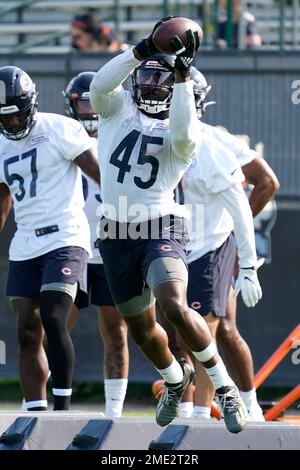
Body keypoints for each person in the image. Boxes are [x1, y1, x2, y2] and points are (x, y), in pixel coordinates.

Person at [90, 16, 256, 433]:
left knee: (175, 306)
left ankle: (223, 387)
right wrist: (142, 49)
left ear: (178, 88)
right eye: (146, 75)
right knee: (142, 329)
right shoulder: (116, 108)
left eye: (161, 80)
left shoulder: (187, 132)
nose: (150, 83)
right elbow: (99, 85)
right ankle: (174, 378)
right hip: (115, 231)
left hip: (161, 225)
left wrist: (181, 72)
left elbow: (182, 130)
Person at [167, 68, 279, 420]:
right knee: (176, 333)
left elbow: (266, 182)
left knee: (216, 331)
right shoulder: (152, 136)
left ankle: (240, 408)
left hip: (211, 243)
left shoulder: (216, 143)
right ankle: (186, 410)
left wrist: (235, 232)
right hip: (173, 246)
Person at [0, 66, 100, 411]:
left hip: (65, 236)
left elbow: (101, 174)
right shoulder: (0, 144)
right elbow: (2, 202)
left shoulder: (60, 128)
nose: (13, 124)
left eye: (18, 116)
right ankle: (35, 411)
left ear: (32, 104)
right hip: (26, 240)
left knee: (54, 317)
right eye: (5, 119)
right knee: (27, 330)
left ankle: (62, 411)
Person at [63, 71, 129, 417]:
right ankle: (49, 408)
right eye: (84, 103)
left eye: (95, 102)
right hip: (71, 244)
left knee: (116, 333)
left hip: (112, 247)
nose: (90, 111)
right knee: (53, 330)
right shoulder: (60, 136)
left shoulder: (122, 136)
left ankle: (113, 415)